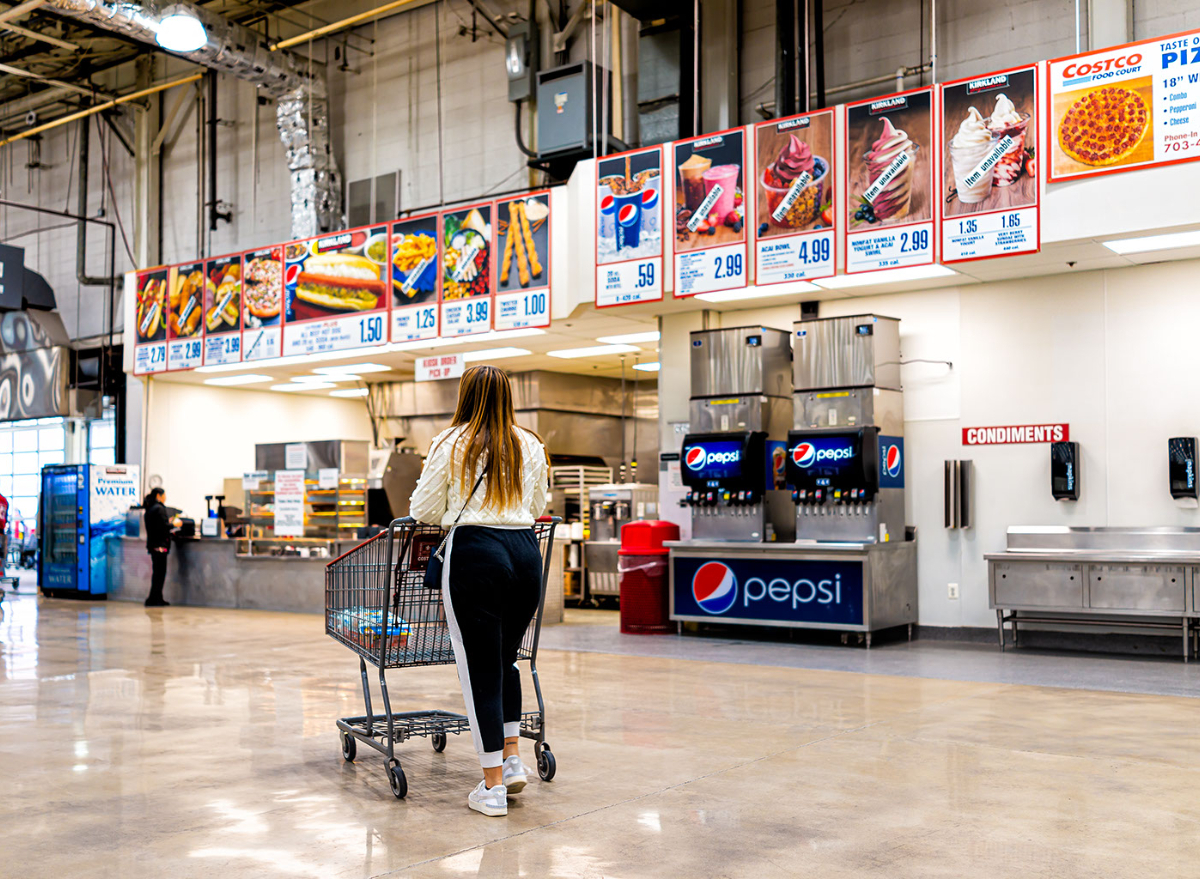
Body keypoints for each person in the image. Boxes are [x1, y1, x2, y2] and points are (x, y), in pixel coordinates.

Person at [409, 365, 549, 818]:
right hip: (525, 553)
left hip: (476, 553)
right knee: (507, 661)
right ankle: (511, 761)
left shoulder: (450, 442)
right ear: (508, 395)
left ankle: (491, 788)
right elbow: (537, 505)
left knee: (479, 671)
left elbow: (423, 508)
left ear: (465, 395)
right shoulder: (530, 443)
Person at [143, 488, 180, 608]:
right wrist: (174, 524)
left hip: (153, 544)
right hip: (160, 545)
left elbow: (157, 525)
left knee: (157, 573)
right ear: (159, 496)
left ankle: (155, 597)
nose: (165, 498)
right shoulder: (159, 508)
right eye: (164, 495)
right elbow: (163, 526)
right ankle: (155, 598)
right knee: (160, 573)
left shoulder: (150, 508)